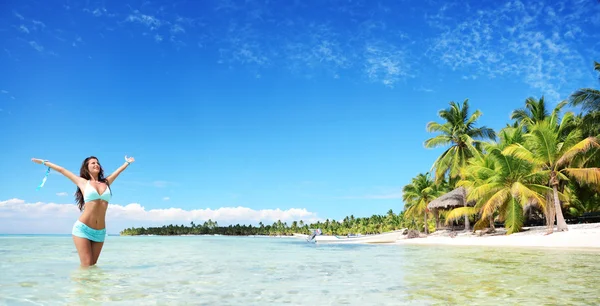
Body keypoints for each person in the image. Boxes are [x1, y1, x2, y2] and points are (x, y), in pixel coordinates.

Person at [31, 155, 135, 267]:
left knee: (92, 266)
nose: (96, 165)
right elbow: (62, 170)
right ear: (86, 167)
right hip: (83, 229)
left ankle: (92, 285)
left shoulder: (106, 182)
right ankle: (79, 284)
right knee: (86, 265)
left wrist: (127, 163)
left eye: (98, 163)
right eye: (93, 163)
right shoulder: (83, 182)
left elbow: (118, 172)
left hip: (100, 232)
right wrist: (44, 162)